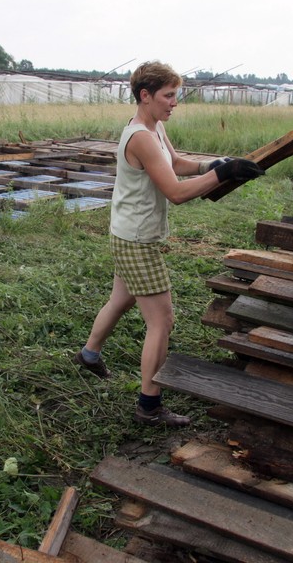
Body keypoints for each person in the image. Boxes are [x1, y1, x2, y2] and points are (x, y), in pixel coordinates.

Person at [74, 61, 264, 427]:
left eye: (176, 95)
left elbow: (176, 163)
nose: (174, 103)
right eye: (169, 95)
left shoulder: (154, 128)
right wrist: (221, 174)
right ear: (145, 96)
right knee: (162, 320)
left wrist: (216, 163)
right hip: (136, 241)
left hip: (127, 232)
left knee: (122, 298)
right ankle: (149, 405)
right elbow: (175, 192)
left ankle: (89, 355)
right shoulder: (141, 137)